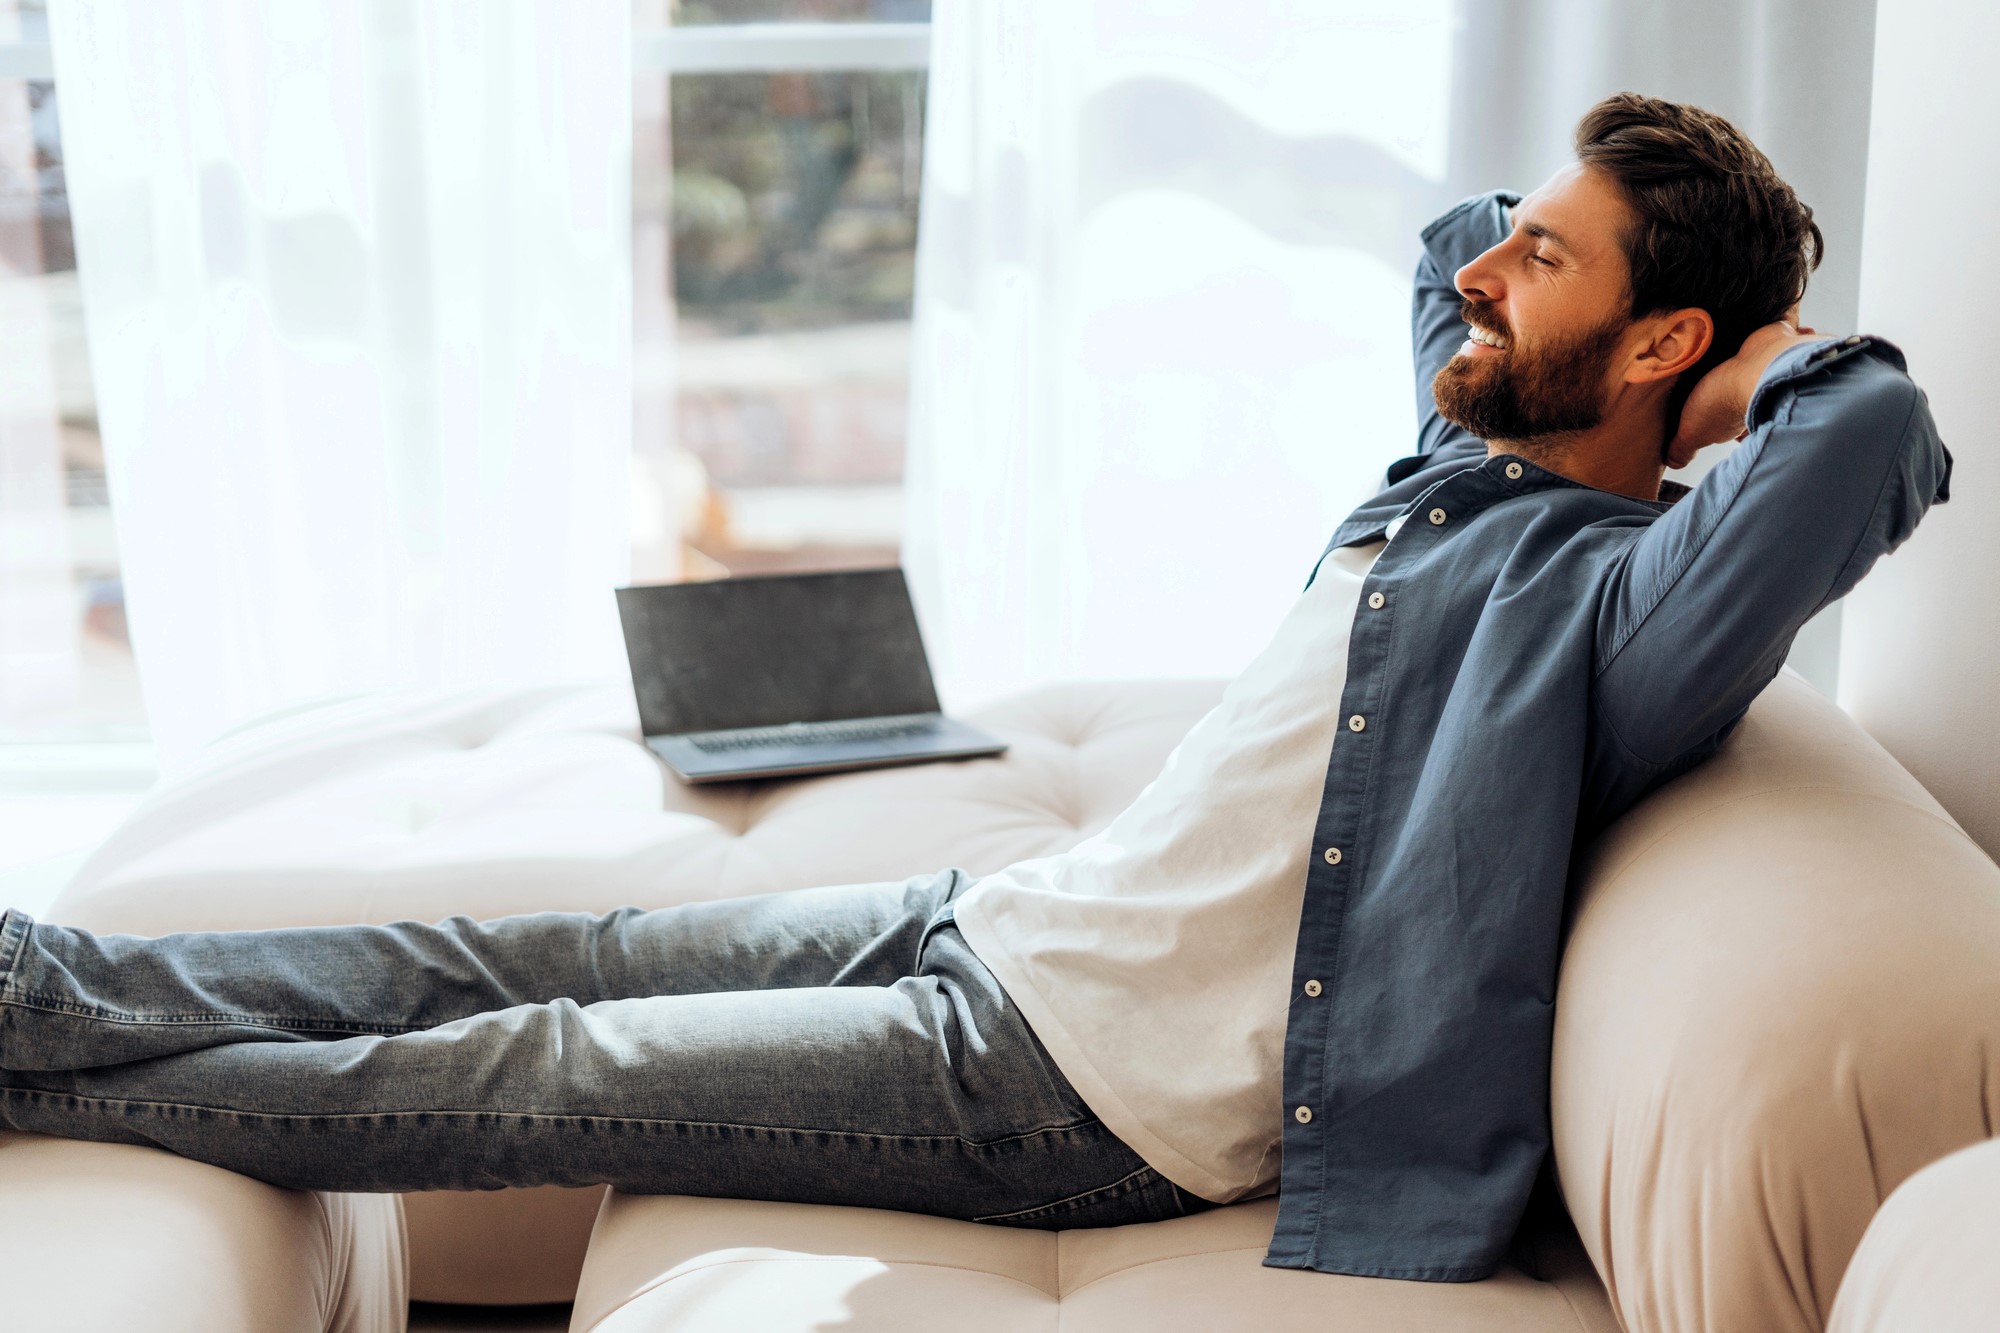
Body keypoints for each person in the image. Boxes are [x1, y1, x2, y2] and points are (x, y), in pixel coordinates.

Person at [0, 92, 1950, 1282]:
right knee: (515, 946)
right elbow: (1446, 242)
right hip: (991, 923)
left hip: (1079, 1087)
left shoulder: (1615, 604)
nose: (1483, 278)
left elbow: (1862, 442)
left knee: (535, 1071)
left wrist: (1746, 363)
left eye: (1550, 261)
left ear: (1665, 339)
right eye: (1518, 242)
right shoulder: (1463, 466)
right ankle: (38, 990)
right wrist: (1572, 270)